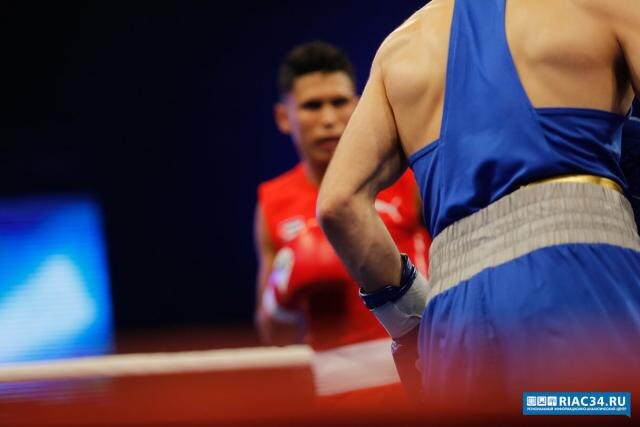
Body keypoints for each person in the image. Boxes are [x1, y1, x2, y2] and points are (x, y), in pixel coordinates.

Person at [317, 0, 640, 412]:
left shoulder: (399, 49)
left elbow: (338, 204)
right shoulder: (603, 5)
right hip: (581, 283)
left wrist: (414, 329)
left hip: (454, 323)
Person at [254, 41, 431, 407]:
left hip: (423, 375)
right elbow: (274, 334)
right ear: (284, 117)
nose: (329, 118)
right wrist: (283, 288)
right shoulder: (273, 202)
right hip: (338, 400)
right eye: (312, 106)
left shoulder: (405, 177)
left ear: (358, 105)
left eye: (339, 102)